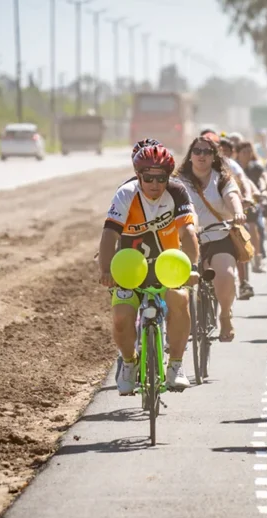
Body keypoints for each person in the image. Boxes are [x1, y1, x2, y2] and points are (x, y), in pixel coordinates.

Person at [99, 144, 200, 395]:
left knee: (179, 299)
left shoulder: (177, 192)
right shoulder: (126, 193)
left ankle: (175, 364)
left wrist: (192, 267)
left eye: (161, 178)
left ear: (168, 177)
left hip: (167, 265)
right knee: (121, 317)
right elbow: (110, 234)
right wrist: (106, 270)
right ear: (138, 175)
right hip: (131, 266)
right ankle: (129, 363)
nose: (155, 184)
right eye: (148, 178)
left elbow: (188, 233)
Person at [173, 134, 248, 342]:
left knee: (225, 275)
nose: (201, 155)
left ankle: (225, 314)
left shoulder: (222, 178)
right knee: (173, 284)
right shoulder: (178, 181)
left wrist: (238, 212)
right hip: (185, 239)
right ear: (190, 155)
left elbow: (232, 196)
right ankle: (175, 328)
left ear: (214, 156)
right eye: (197, 151)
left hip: (219, 236)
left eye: (207, 151)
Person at [216, 134, 258, 299]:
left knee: (238, 243)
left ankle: (243, 283)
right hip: (206, 219)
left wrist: (246, 198)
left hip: (229, 214)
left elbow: (244, 181)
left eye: (226, 151)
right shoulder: (198, 167)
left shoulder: (231, 165)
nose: (223, 154)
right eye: (220, 150)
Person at [235, 140, 267, 273]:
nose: (247, 155)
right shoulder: (233, 167)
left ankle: (257, 260)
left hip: (251, 203)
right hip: (234, 203)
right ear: (237, 153)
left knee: (255, 227)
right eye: (244, 152)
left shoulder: (255, 167)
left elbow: (265, 177)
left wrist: (264, 189)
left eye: (249, 152)